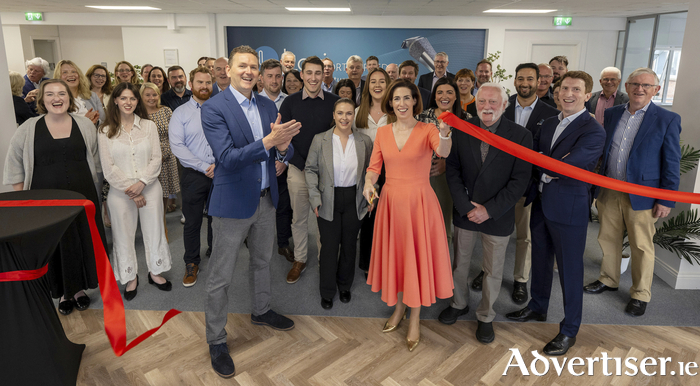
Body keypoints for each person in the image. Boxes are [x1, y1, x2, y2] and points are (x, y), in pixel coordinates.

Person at [200, 45, 300, 379]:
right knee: (220, 276)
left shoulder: (269, 104)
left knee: (262, 261)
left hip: (265, 199)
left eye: (253, 67)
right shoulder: (214, 108)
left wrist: (284, 149)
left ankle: (261, 310)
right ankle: (216, 339)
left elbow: (279, 150)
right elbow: (227, 158)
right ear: (228, 70)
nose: (248, 71)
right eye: (242, 65)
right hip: (231, 205)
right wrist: (270, 142)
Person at [506, 71, 606, 356]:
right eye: (564, 88)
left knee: (570, 271)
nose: (568, 94)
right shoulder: (549, 122)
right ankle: (538, 307)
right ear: (556, 91)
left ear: (588, 95)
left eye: (576, 89)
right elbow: (535, 161)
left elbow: (566, 166)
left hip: (569, 208)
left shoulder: (593, 129)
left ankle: (569, 329)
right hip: (541, 201)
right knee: (540, 259)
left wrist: (548, 164)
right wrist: (547, 165)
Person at [363, 79, 454, 352]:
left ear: (415, 100)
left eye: (407, 98)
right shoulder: (383, 132)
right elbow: (373, 167)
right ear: (390, 103)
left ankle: (415, 317)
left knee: (416, 259)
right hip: (390, 202)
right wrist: (369, 183)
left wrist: (446, 134)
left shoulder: (429, 129)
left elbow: (442, 151)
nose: (401, 103)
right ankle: (399, 306)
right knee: (399, 258)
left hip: (419, 204)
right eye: (396, 99)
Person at [584, 68, 682, 317]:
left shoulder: (667, 119)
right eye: (635, 84)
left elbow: (672, 163)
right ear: (626, 87)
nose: (640, 89)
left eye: (647, 86)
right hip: (609, 189)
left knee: (641, 246)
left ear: (656, 91)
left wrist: (666, 198)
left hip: (644, 196)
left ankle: (640, 294)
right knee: (607, 238)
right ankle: (608, 279)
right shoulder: (613, 112)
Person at [440, 83, 532, 344]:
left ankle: (486, 316)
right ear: (475, 104)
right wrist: (467, 207)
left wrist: (489, 210)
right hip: (466, 212)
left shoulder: (520, 135)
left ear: (505, 105)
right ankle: (459, 304)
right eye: (482, 102)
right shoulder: (462, 129)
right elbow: (453, 171)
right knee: (460, 264)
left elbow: (519, 180)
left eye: (493, 102)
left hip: (497, 214)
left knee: (492, 270)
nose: (487, 107)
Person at [4, 79, 104, 315]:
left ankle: (79, 290)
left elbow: (95, 159)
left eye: (62, 93)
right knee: (55, 245)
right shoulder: (28, 128)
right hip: (45, 202)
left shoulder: (85, 125)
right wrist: (24, 200)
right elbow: (14, 165)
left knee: (80, 242)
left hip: (82, 198)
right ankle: (62, 294)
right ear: (42, 99)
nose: (56, 98)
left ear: (69, 98)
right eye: (50, 94)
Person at [98, 82, 173, 301]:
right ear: (115, 101)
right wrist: (132, 190)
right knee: (123, 235)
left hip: (149, 187)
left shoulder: (148, 126)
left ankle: (155, 272)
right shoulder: (104, 131)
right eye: (123, 98)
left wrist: (142, 183)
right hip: (120, 193)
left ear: (137, 101)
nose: (128, 102)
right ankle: (131, 277)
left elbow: (156, 159)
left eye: (132, 98)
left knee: (154, 230)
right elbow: (108, 167)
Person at [498, 63, 559, 304]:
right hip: (498, 185)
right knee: (495, 235)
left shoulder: (551, 113)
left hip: (529, 184)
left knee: (525, 237)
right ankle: (487, 271)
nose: (525, 83)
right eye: (521, 78)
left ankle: (520, 280)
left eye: (530, 79)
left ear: (539, 81)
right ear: (514, 81)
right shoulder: (501, 106)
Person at [306, 98, 372, 309]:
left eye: (349, 113)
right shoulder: (320, 140)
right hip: (327, 199)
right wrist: (315, 198)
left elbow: (372, 172)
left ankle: (344, 286)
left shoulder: (364, 142)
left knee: (350, 245)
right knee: (329, 247)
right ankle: (327, 291)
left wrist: (371, 197)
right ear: (333, 115)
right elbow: (310, 170)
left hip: (354, 199)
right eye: (340, 113)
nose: (345, 118)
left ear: (354, 115)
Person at [280, 56, 340, 284]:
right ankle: (300, 259)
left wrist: (319, 167)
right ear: (302, 75)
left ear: (323, 75)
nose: (314, 78)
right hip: (297, 169)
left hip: (327, 172)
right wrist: (304, 164)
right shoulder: (290, 103)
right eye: (309, 73)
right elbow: (284, 137)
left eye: (318, 73)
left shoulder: (334, 102)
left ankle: (326, 261)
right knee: (299, 218)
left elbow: (340, 137)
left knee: (325, 219)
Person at [169, 68, 215, 288]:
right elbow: (177, 146)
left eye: (208, 82)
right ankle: (191, 262)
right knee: (193, 222)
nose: (204, 86)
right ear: (191, 83)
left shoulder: (221, 109)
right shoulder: (180, 113)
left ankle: (215, 254)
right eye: (200, 82)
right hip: (193, 175)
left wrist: (219, 165)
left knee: (218, 219)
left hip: (220, 173)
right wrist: (205, 166)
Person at [418, 77, 471, 249]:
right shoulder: (422, 117)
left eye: (449, 92)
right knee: (422, 223)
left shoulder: (466, 119)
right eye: (439, 92)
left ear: (456, 96)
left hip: (452, 178)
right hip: (425, 176)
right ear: (434, 96)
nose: (444, 96)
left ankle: (441, 267)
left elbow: (469, 153)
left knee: (443, 225)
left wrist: (447, 164)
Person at [353, 68, 390, 277]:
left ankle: (386, 262)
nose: (377, 85)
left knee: (387, 220)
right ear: (367, 86)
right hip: (367, 175)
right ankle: (367, 263)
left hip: (391, 174)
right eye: (373, 81)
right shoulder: (358, 112)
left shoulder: (395, 113)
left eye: (382, 81)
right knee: (368, 218)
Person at [258, 59, 293, 262]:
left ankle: (282, 244)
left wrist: (284, 160)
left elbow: (293, 136)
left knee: (283, 207)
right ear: (261, 78)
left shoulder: (289, 101)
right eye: (269, 76)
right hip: (259, 166)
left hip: (282, 166)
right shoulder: (253, 102)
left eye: (278, 76)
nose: (274, 80)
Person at [140, 82, 180, 235]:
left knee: (163, 194)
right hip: (147, 160)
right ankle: (150, 227)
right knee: (150, 194)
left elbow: (175, 135)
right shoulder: (138, 114)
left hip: (167, 158)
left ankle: (162, 225)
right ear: (141, 96)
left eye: (154, 94)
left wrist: (167, 153)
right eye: (147, 95)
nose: (151, 98)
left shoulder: (166, 111)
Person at [54, 60, 104, 125]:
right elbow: (55, 125)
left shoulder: (92, 96)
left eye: (73, 71)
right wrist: (85, 120)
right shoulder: (55, 100)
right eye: (65, 72)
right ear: (58, 77)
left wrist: (95, 121)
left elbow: (103, 120)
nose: (70, 75)